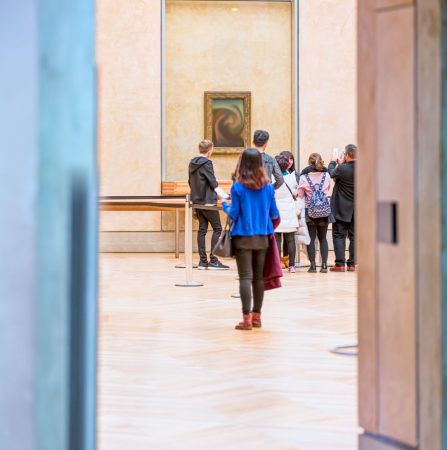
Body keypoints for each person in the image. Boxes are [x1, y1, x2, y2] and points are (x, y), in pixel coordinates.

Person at [222, 148, 280, 330]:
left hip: (242, 238)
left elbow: (234, 214)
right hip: (262, 238)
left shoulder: (238, 187)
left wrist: (224, 205)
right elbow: (275, 215)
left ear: (242, 163)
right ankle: (257, 317)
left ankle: (246, 320)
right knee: (258, 279)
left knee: (245, 278)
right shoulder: (269, 188)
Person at [188, 139, 229, 270]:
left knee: (202, 230)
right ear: (210, 150)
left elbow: (190, 182)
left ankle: (202, 261)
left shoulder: (192, 163)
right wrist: (225, 195)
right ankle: (213, 260)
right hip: (208, 202)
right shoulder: (207, 163)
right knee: (217, 228)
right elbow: (213, 182)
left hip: (196, 201)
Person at [297, 153, 331, 273]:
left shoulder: (304, 177)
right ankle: (325, 266)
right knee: (323, 238)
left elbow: (300, 195)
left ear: (309, 163)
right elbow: (328, 189)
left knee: (311, 239)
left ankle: (312, 266)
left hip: (309, 211)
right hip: (324, 210)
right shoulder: (327, 174)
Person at [328, 144, 356, 272]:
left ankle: (339, 264)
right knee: (354, 236)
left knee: (339, 235)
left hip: (341, 207)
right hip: (357, 209)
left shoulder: (342, 168)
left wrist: (333, 162)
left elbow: (332, 173)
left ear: (346, 155)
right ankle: (352, 264)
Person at [274, 155, 299, 273]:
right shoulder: (292, 178)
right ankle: (292, 266)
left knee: (277, 239)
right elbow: (296, 192)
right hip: (289, 211)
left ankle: (278, 264)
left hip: (277, 211)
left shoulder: (273, 179)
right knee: (290, 240)